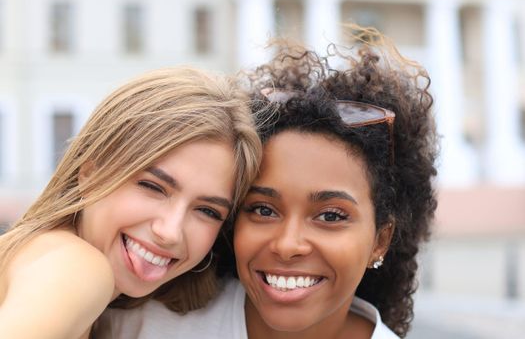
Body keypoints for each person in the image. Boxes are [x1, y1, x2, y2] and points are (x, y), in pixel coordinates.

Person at [96, 26, 438, 339]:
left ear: (380, 240)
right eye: (262, 209)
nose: (288, 245)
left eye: (331, 216)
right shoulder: (137, 323)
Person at [0, 67, 262, 339]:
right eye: (152, 187)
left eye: (207, 211)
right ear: (90, 173)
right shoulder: (78, 266)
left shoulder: (41, 254)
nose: (170, 231)